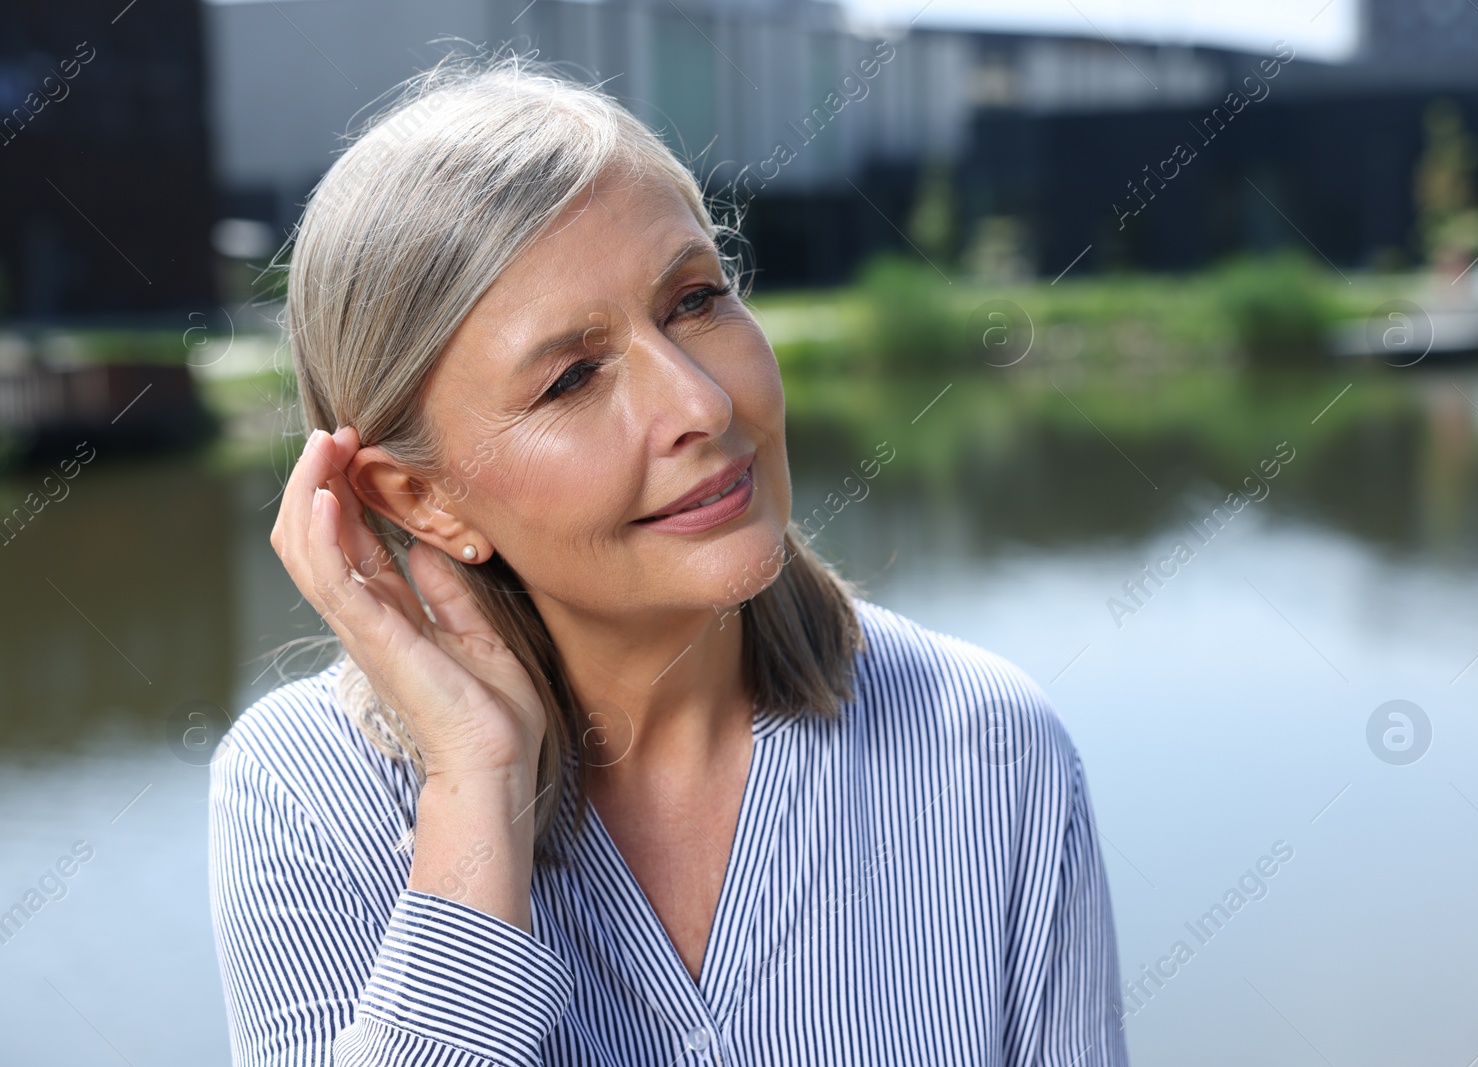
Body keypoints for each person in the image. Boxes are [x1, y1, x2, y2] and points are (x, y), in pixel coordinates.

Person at [207, 52, 1129, 1067]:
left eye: (694, 300)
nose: (701, 403)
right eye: (569, 379)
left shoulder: (989, 747)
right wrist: (478, 791)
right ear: (420, 499)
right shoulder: (305, 791)